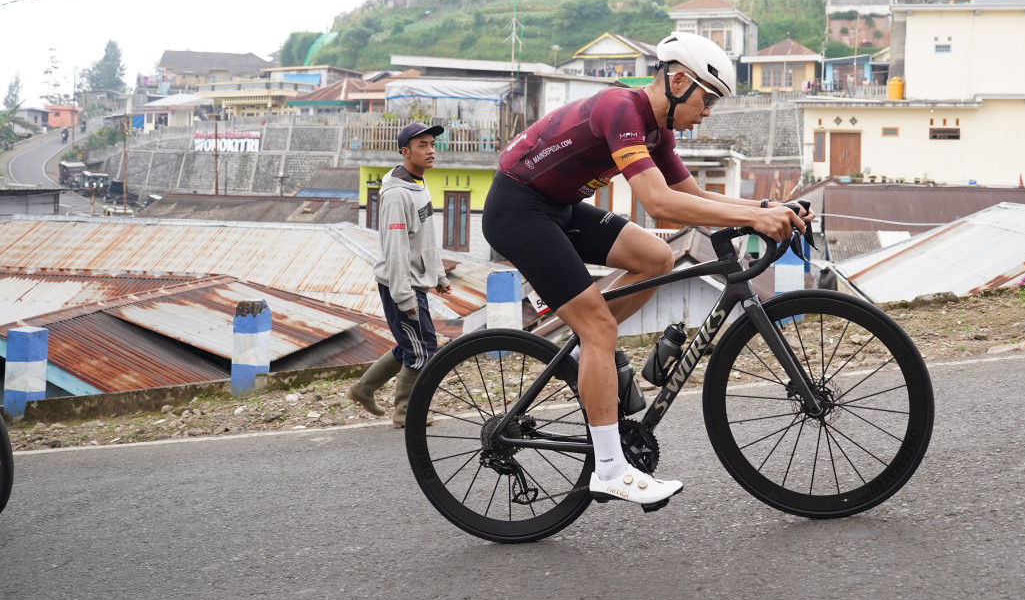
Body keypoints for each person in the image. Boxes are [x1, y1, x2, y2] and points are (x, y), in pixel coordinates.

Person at [481, 32, 810, 506]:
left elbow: (692, 198)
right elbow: (658, 204)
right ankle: (610, 469)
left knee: (656, 258)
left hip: (558, 208)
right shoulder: (621, 110)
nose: (708, 111)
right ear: (678, 81)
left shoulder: (658, 131)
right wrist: (758, 218)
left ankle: (591, 351)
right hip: (517, 209)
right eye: (707, 98)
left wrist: (765, 208)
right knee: (598, 327)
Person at [347, 122, 455, 427]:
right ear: (405, 152)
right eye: (422, 145)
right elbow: (395, 249)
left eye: (432, 144)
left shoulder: (418, 184)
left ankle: (363, 388)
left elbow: (425, 239)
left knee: (413, 344)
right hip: (401, 284)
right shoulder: (397, 195)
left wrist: (438, 276)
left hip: (414, 281)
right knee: (423, 349)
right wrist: (404, 296)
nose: (431, 151)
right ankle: (405, 413)